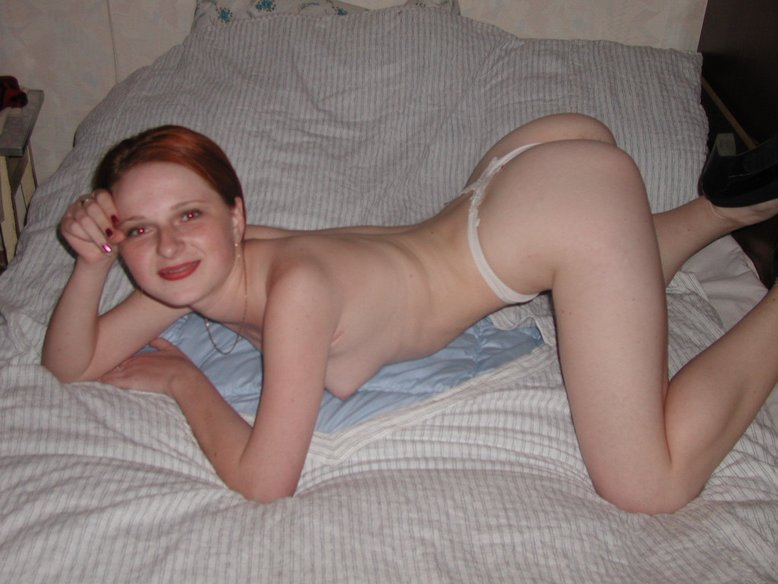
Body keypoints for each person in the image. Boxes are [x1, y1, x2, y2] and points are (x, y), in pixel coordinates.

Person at [41, 114, 778, 513]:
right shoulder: (191, 270)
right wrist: (90, 265)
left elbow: (267, 480)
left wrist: (182, 381)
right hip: (519, 185)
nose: (168, 244)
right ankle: (725, 205)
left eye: (188, 214)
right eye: (138, 230)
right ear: (121, 242)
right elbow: (72, 362)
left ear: (236, 217)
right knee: (603, 283)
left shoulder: (295, 293)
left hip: (555, 210)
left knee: (648, 485)